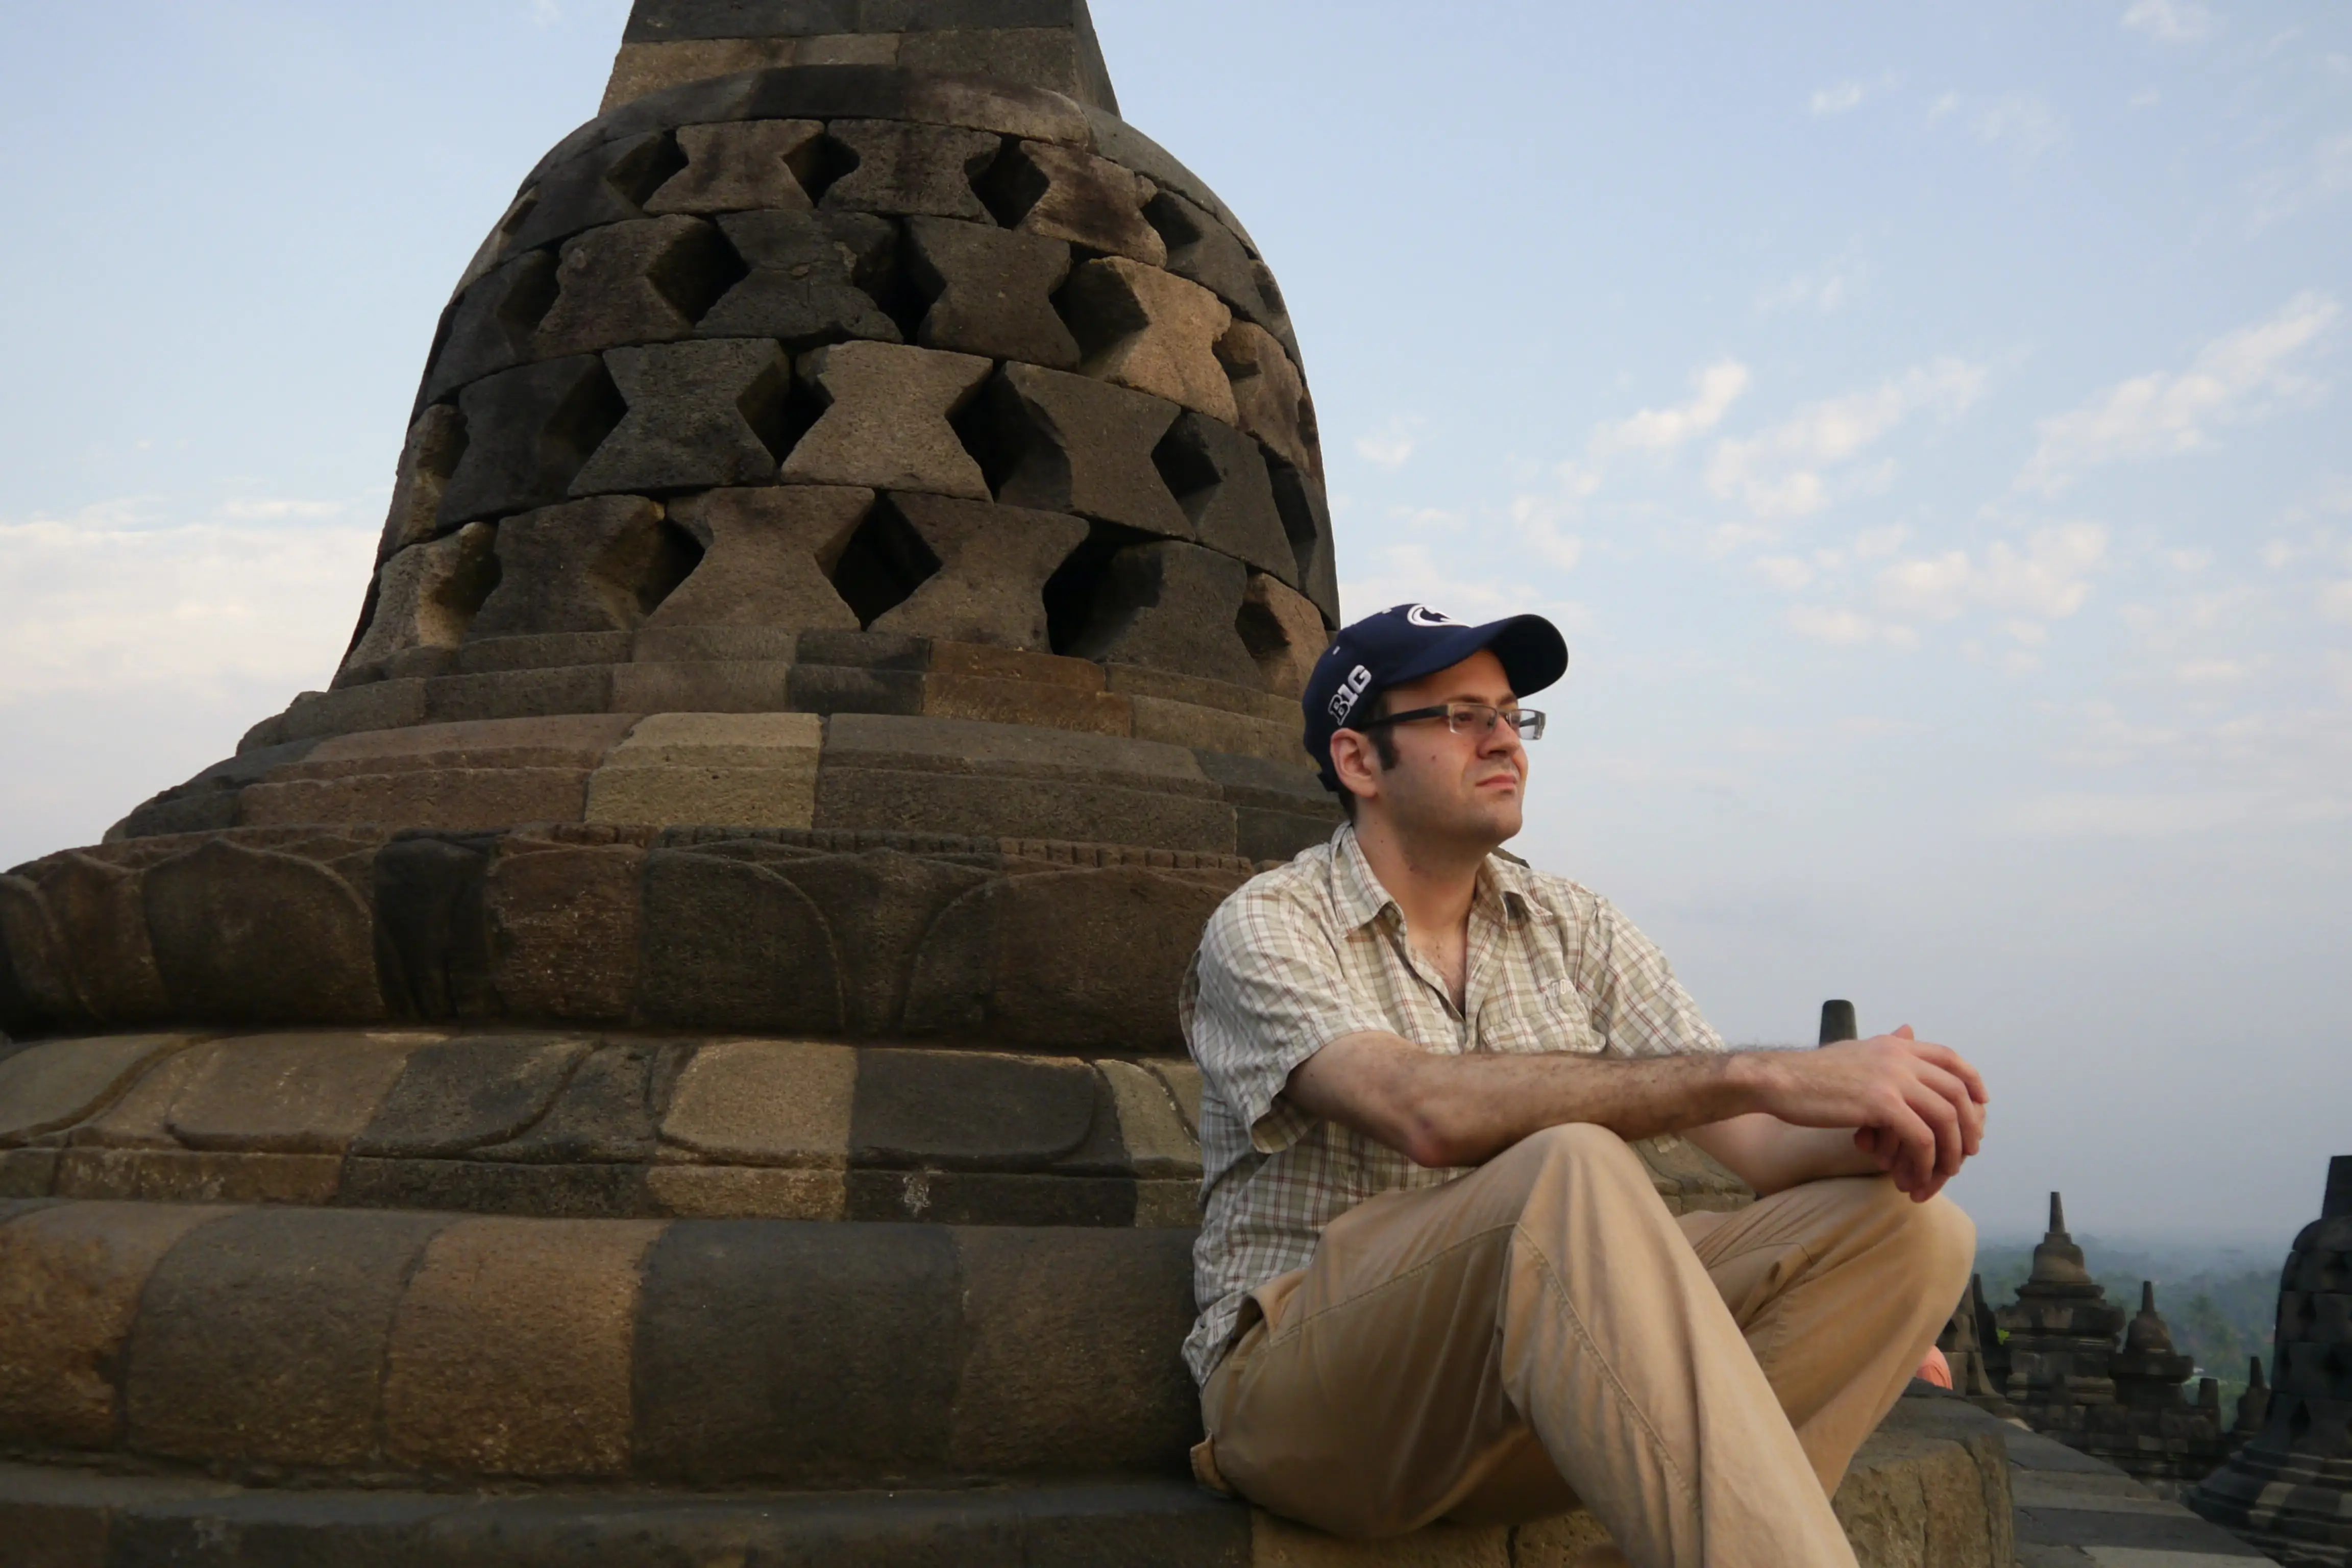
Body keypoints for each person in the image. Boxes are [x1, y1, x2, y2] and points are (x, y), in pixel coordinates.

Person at [1181, 604, 1985, 1568]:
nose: (1502, 741)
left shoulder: (1573, 925)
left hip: (1537, 1399)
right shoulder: (1269, 924)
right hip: (1317, 1400)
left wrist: (1879, 1118)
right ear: (1359, 762)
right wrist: (1769, 1069)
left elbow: (1764, 1144)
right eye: (1458, 717)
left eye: (1512, 716)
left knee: (1913, 1229)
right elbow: (1421, 1111)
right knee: (1569, 1168)